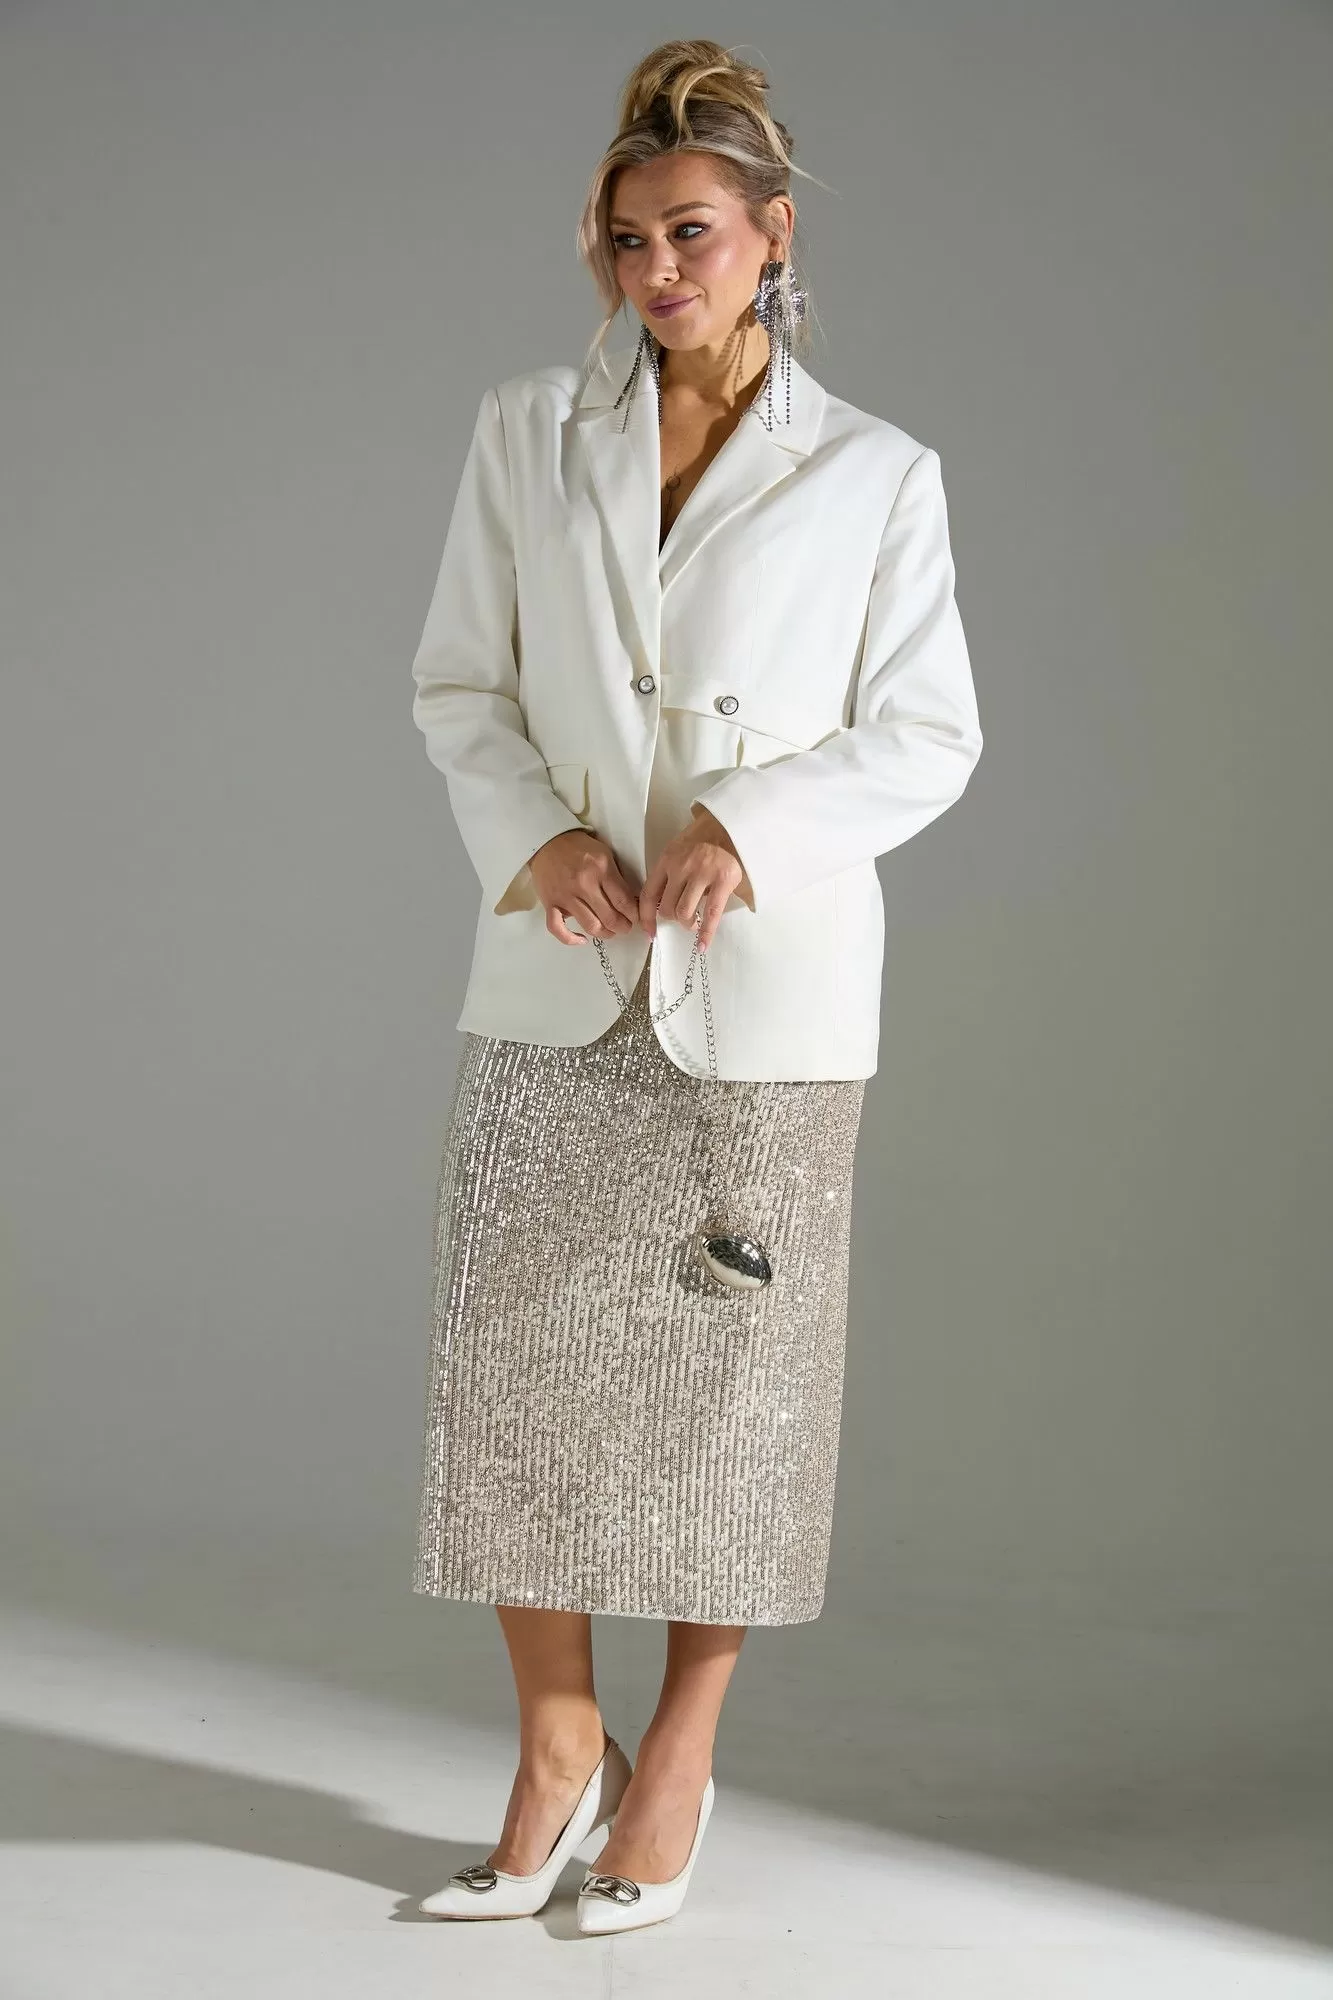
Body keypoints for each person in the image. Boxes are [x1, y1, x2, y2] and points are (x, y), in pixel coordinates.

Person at [410, 38, 983, 1935]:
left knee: (736, 1389)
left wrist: (752, 821)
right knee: (513, 1374)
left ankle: (678, 1756)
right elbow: (459, 685)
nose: (656, 271)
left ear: (773, 236)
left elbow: (929, 733)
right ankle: (553, 1743)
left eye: (694, 235)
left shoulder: (878, 473)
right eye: (626, 240)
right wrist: (537, 836)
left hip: (763, 1000)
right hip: (561, 974)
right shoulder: (527, 431)